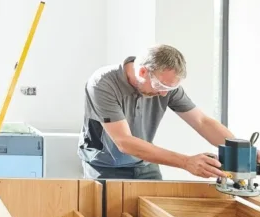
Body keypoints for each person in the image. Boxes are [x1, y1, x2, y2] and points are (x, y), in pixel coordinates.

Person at [78, 44, 239, 181]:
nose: (164, 94)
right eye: (161, 86)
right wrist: (186, 162)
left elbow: (202, 121)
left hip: (145, 164)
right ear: (142, 72)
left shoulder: (167, 87)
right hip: (105, 166)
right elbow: (124, 142)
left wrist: (242, 149)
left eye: (170, 89)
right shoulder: (103, 83)